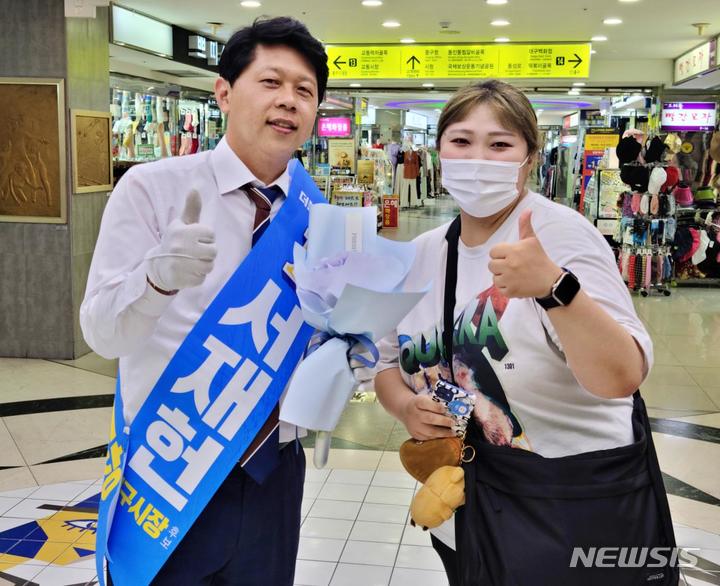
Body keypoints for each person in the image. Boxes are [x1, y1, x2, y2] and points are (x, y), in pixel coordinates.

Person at [374, 80, 664, 584]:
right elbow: (383, 364)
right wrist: (406, 408)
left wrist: (555, 288)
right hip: (470, 515)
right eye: (461, 141)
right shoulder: (420, 253)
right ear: (438, 152)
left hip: (571, 513)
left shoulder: (562, 234)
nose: (478, 158)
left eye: (500, 144)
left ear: (529, 158)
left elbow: (622, 376)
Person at [81, 17, 328, 585]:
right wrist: (156, 281)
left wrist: (347, 342)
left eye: (304, 90)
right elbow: (101, 333)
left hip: (273, 471)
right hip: (172, 461)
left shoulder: (319, 215)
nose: (288, 101)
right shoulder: (152, 187)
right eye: (271, 82)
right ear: (223, 91)